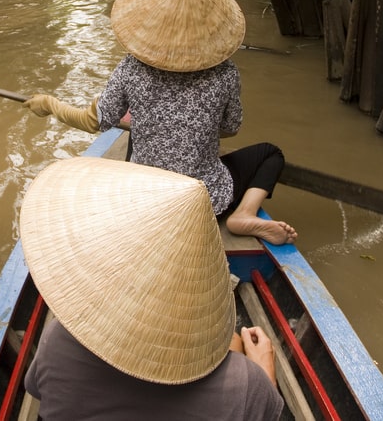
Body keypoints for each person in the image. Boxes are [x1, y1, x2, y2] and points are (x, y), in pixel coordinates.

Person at [24, 0, 297, 246]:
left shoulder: (131, 67)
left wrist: (49, 103)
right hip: (202, 202)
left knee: (134, 140)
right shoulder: (225, 73)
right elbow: (230, 128)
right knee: (270, 154)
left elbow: (94, 121)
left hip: (146, 200)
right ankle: (244, 214)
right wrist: (193, 126)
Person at [20, 157, 285, 420]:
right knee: (235, 343)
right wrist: (264, 371)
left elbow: (38, 390)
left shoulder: (57, 342)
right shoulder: (245, 385)